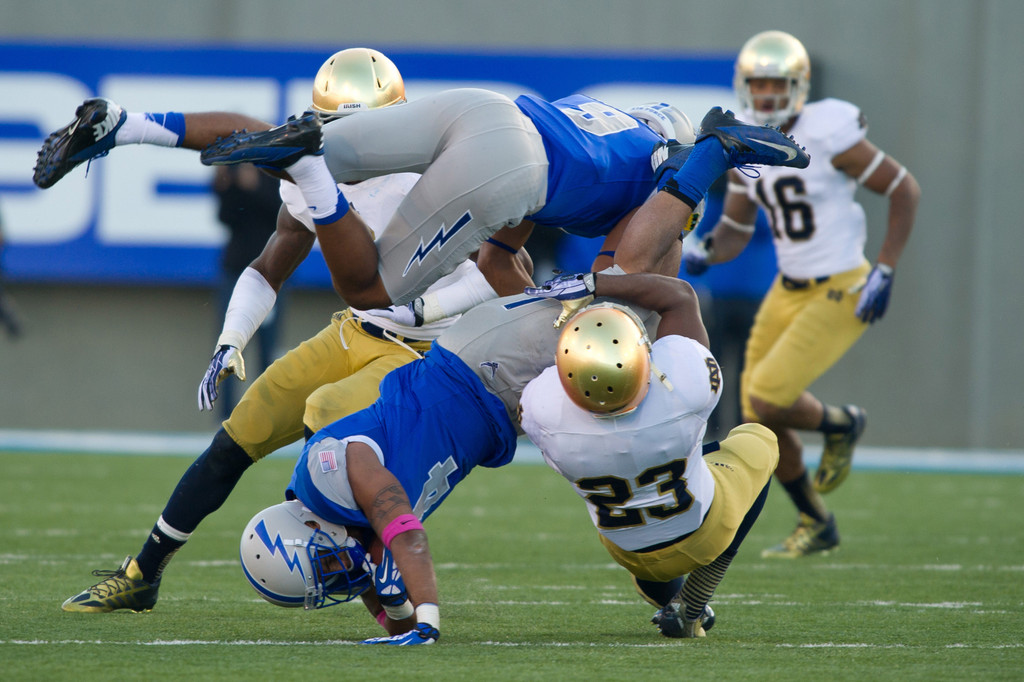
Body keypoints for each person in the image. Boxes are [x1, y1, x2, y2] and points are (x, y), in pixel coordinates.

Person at [55, 48, 512, 614]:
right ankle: (142, 573)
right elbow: (267, 267)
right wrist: (232, 338)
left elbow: (496, 278)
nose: (351, 141)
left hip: (423, 353)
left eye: (366, 127)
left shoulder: (431, 176)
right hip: (354, 332)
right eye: (338, 126)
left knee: (329, 416)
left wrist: (420, 313)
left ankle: (370, 566)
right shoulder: (307, 170)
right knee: (237, 434)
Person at [239, 267, 730, 645]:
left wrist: (426, 620)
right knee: (610, 459)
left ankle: (690, 167)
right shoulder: (340, 526)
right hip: (496, 401)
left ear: (305, 531)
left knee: (647, 301)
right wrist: (399, 616)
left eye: (325, 571)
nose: (338, 577)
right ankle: (679, 600)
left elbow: (406, 538)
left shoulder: (332, 472)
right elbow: (384, 597)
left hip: (484, 367)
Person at [683, 30, 920, 558]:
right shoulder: (750, 140)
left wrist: (885, 267)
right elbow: (737, 231)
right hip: (786, 290)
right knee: (756, 413)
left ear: (799, 86)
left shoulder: (830, 130)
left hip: (841, 286)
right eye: (758, 85)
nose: (767, 95)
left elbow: (904, 188)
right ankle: (817, 520)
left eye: (777, 84)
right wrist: (705, 249)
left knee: (767, 397)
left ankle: (842, 423)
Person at [519, 274, 779, 638]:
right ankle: (695, 600)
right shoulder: (684, 388)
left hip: (626, 549)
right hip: (703, 531)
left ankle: (674, 604)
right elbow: (680, 297)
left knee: (640, 506)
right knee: (758, 440)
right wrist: (592, 283)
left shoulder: (542, 411)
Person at [211, 163, 283, 418]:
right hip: (236, 268)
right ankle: (226, 416)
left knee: (268, 344)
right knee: (228, 343)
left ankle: (264, 414)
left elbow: (281, 216)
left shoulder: (275, 172)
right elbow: (224, 217)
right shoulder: (232, 172)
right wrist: (226, 187)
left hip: (271, 272)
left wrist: (253, 187)